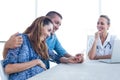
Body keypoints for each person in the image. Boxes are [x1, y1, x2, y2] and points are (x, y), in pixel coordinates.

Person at [3, 16, 79, 80]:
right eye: (49, 30)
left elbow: (56, 57)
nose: (49, 35)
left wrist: (68, 59)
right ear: (40, 25)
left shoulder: (42, 45)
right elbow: (8, 69)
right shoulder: (20, 39)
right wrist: (36, 61)